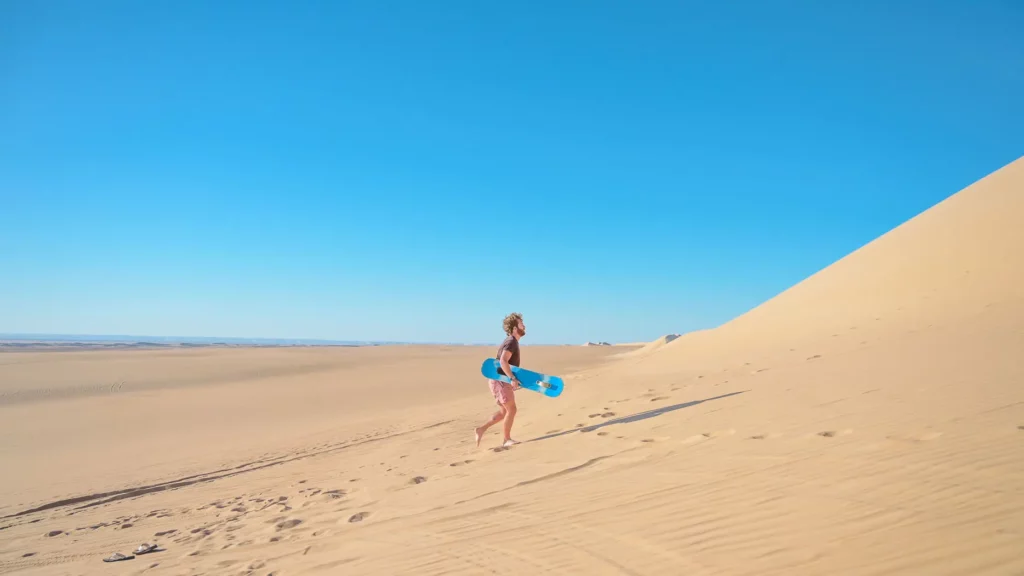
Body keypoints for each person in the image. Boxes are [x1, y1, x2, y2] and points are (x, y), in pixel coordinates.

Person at [475, 312, 526, 448]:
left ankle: (481, 429)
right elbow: (503, 360)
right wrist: (512, 378)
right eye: (521, 323)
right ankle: (506, 439)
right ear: (515, 328)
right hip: (500, 381)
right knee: (512, 410)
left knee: (504, 411)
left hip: (498, 381)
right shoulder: (511, 342)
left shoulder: (512, 341)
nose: (524, 325)